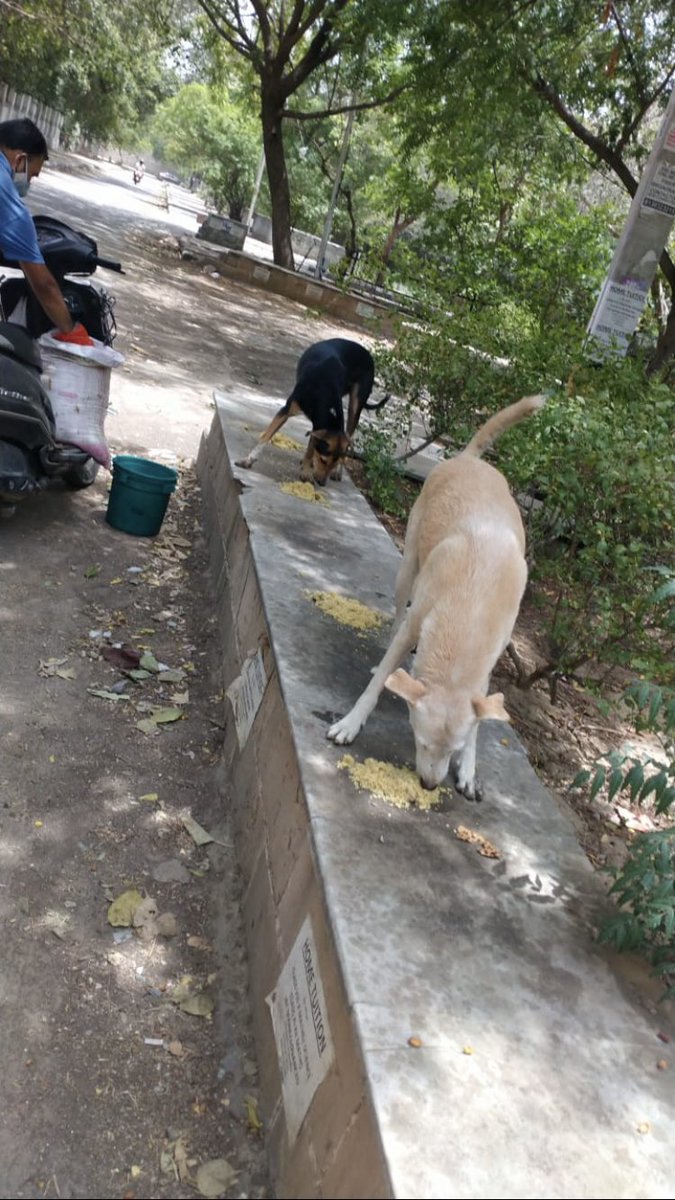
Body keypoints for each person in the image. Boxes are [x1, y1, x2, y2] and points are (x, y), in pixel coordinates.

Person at [0, 117, 89, 343]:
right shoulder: (11, 207)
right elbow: (44, 286)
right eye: (31, 175)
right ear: (20, 160)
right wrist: (70, 330)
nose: (29, 182)